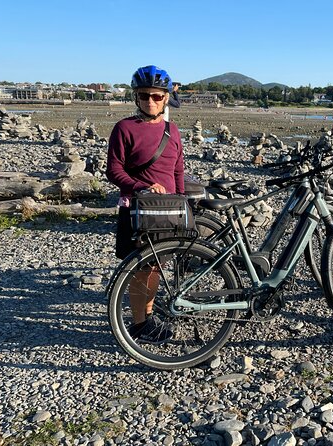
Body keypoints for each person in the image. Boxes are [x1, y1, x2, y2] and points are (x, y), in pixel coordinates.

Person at [106, 65, 184, 344]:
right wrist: (141, 186)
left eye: (156, 96)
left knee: (156, 268)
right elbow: (113, 171)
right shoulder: (124, 128)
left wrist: (183, 202)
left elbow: (177, 171)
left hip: (166, 211)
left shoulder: (172, 130)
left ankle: (147, 316)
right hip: (137, 209)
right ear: (135, 97)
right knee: (142, 270)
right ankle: (140, 324)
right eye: (143, 96)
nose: (150, 101)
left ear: (166, 98)